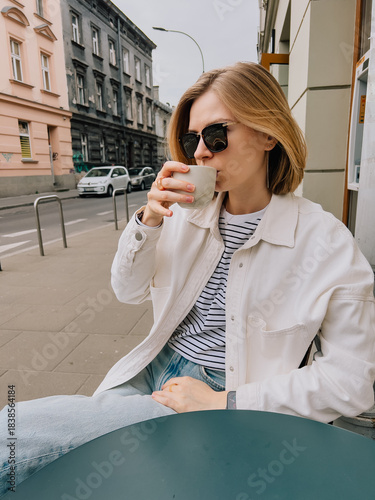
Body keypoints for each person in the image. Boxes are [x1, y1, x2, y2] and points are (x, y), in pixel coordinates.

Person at [1, 62, 374, 494]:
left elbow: (352, 381)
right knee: (56, 464)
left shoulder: (325, 241)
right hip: (152, 368)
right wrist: (149, 219)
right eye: (190, 138)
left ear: (268, 134)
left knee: (18, 439)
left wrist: (226, 402)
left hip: (214, 392)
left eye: (216, 135)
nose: (199, 152)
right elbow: (128, 290)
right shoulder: (185, 214)